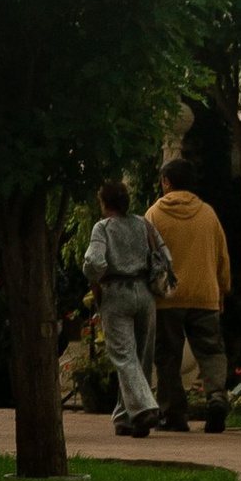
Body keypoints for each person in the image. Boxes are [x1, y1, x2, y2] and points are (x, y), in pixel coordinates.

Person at [146, 156, 232, 434]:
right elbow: (222, 256)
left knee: (168, 357)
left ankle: (174, 414)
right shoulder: (208, 214)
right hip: (205, 294)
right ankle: (216, 397)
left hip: (167, 298)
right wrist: (222, 289)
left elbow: (147, 257)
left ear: (166, 182)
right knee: (211, 351)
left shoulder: (154, 215)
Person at [84, 182, 171, 438]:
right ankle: (125, 417)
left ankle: (144, 409)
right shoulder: (144, 224)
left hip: (116, 292)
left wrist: (95, 281)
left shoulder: (103, 228)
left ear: (104, 203)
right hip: (145, 293)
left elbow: (94, 262)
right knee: (141, 356)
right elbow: (166, 257)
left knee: (124, 355)